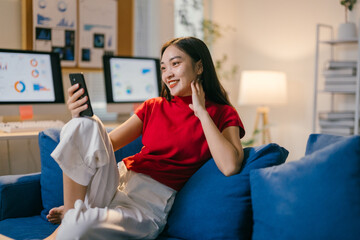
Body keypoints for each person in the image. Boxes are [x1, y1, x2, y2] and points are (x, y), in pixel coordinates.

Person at [45, 36, 245, 240]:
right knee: (84, 123)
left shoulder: (222, 113)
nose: (168, 74)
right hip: (116, 181)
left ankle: (76, 216)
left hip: (147, 203)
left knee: (81, 227)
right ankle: (73, 212)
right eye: (163, 68)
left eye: (175, 64)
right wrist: (78, 117)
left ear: (199, 66)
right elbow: (104, 144)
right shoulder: (154, 106)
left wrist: (202, 112)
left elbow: (230, 166)